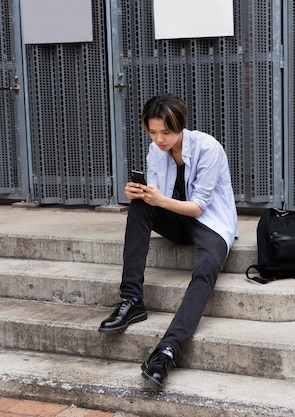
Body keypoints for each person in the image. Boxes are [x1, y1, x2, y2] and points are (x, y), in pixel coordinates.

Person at [99, 93, 238, 388]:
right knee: (138, 207)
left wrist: (159, 199)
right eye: (153, 132)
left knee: (206, 268)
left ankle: (167, 351)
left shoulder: (208, 148)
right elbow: (156, 198)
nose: (159, 139)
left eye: (166, 132)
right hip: (176, 219)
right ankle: (132, 299)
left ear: (181, 126)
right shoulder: (155, 151)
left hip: (210, 222)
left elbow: (199, 206)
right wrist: (141, 195)